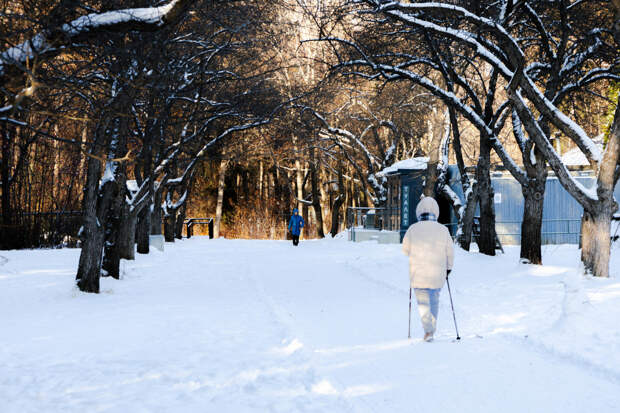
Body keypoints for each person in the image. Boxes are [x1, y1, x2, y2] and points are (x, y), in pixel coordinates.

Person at [402, 196, 454, 342]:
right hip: (437, 273)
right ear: (436, 211)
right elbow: (450, 251)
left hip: (418, 273)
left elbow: (405, 250)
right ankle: (432, 329)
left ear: (419, 211)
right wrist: (448, 268)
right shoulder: (443, 229)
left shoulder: (413, 229)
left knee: (423, 303)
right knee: (434, 300)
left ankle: (428, 330)